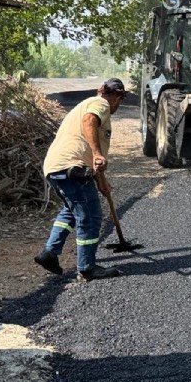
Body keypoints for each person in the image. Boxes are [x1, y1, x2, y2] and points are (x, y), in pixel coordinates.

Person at [34, 78, 127, 281]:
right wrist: (96, 153)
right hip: (72, 167)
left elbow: (94, 158)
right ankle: (87, 268)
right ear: (118, 97)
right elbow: (89, 122)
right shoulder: (100, 103)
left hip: (56, 167)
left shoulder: (86, 105)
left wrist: (102, 181)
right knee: (90, 217)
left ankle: (49, 253)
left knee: (71, 210)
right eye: (119, 100)